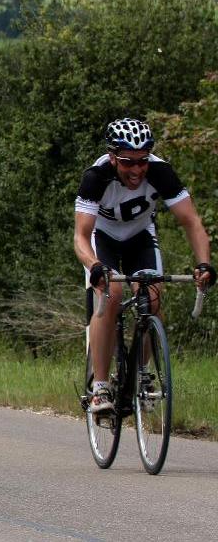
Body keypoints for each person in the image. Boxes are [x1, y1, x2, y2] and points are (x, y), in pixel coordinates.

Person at [73, 118, 214, 413]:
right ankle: (100, 387)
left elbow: (192, 223)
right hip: (104, 238)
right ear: (112, 157)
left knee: (151, 297)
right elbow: (81, 237)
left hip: (140, 237)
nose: (136, 170)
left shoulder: (161, 172)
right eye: (127, 162)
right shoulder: (96, 177)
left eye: (142, 161)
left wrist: (203, 263)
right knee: (109, 294)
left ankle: (143, 375)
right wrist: (94, 265)